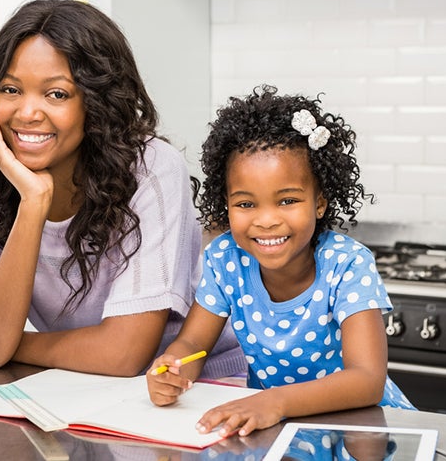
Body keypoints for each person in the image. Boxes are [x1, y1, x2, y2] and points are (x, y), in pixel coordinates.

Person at [0, 0, 245, 378]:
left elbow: (122, 356)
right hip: (82, 385)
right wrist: (33, 203)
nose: (27, 113)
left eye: (56, 94)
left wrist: (4, 342)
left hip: (201, 384)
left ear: (96, 103)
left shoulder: (151, 171)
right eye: (11, 89)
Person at [146, 85, 415, 437]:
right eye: (245, 204)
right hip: (279, 428)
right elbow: (194, 344)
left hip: (363, 431)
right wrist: (174, 368)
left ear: (320, 202)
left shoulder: (348, 265)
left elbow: (367, 380)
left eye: (287, 200)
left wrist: (275, 401)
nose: (267, 220)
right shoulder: (225, 259)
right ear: (225, 204)